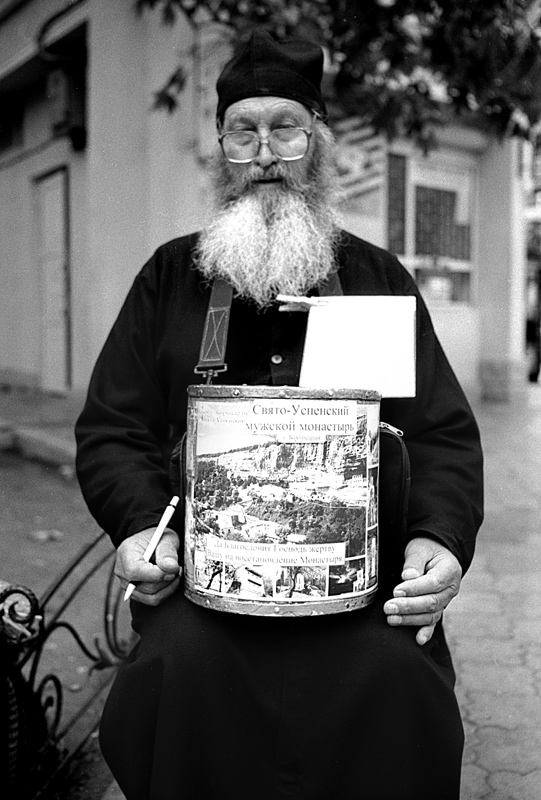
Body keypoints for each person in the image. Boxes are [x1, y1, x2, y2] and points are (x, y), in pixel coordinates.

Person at [75, 30, 483, 800]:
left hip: (358, 591)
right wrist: (138, 527)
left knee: (397, 688)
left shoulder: (376, 277)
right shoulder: (170, 274)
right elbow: (112, 428)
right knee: (171, 680)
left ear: (317, 143)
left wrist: (437, 538)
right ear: (224, 149)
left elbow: (438, 434)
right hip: (203, 585)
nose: (264, 151)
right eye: (242, 131)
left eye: (285, 127)